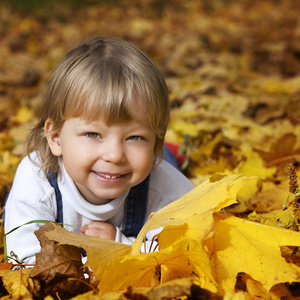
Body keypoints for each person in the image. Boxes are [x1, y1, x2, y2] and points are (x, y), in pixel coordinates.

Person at [4, 36, 194, 265]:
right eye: (93, 135)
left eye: (135, 137)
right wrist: (99, 267)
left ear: (154, 142)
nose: (114, 155)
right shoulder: (36, 180)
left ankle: (168, 152)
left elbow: (186, 245)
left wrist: (120, 246)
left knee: (168, 164)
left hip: (157, 168)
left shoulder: (163, 184)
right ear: (55, 138)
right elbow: (24, 260)